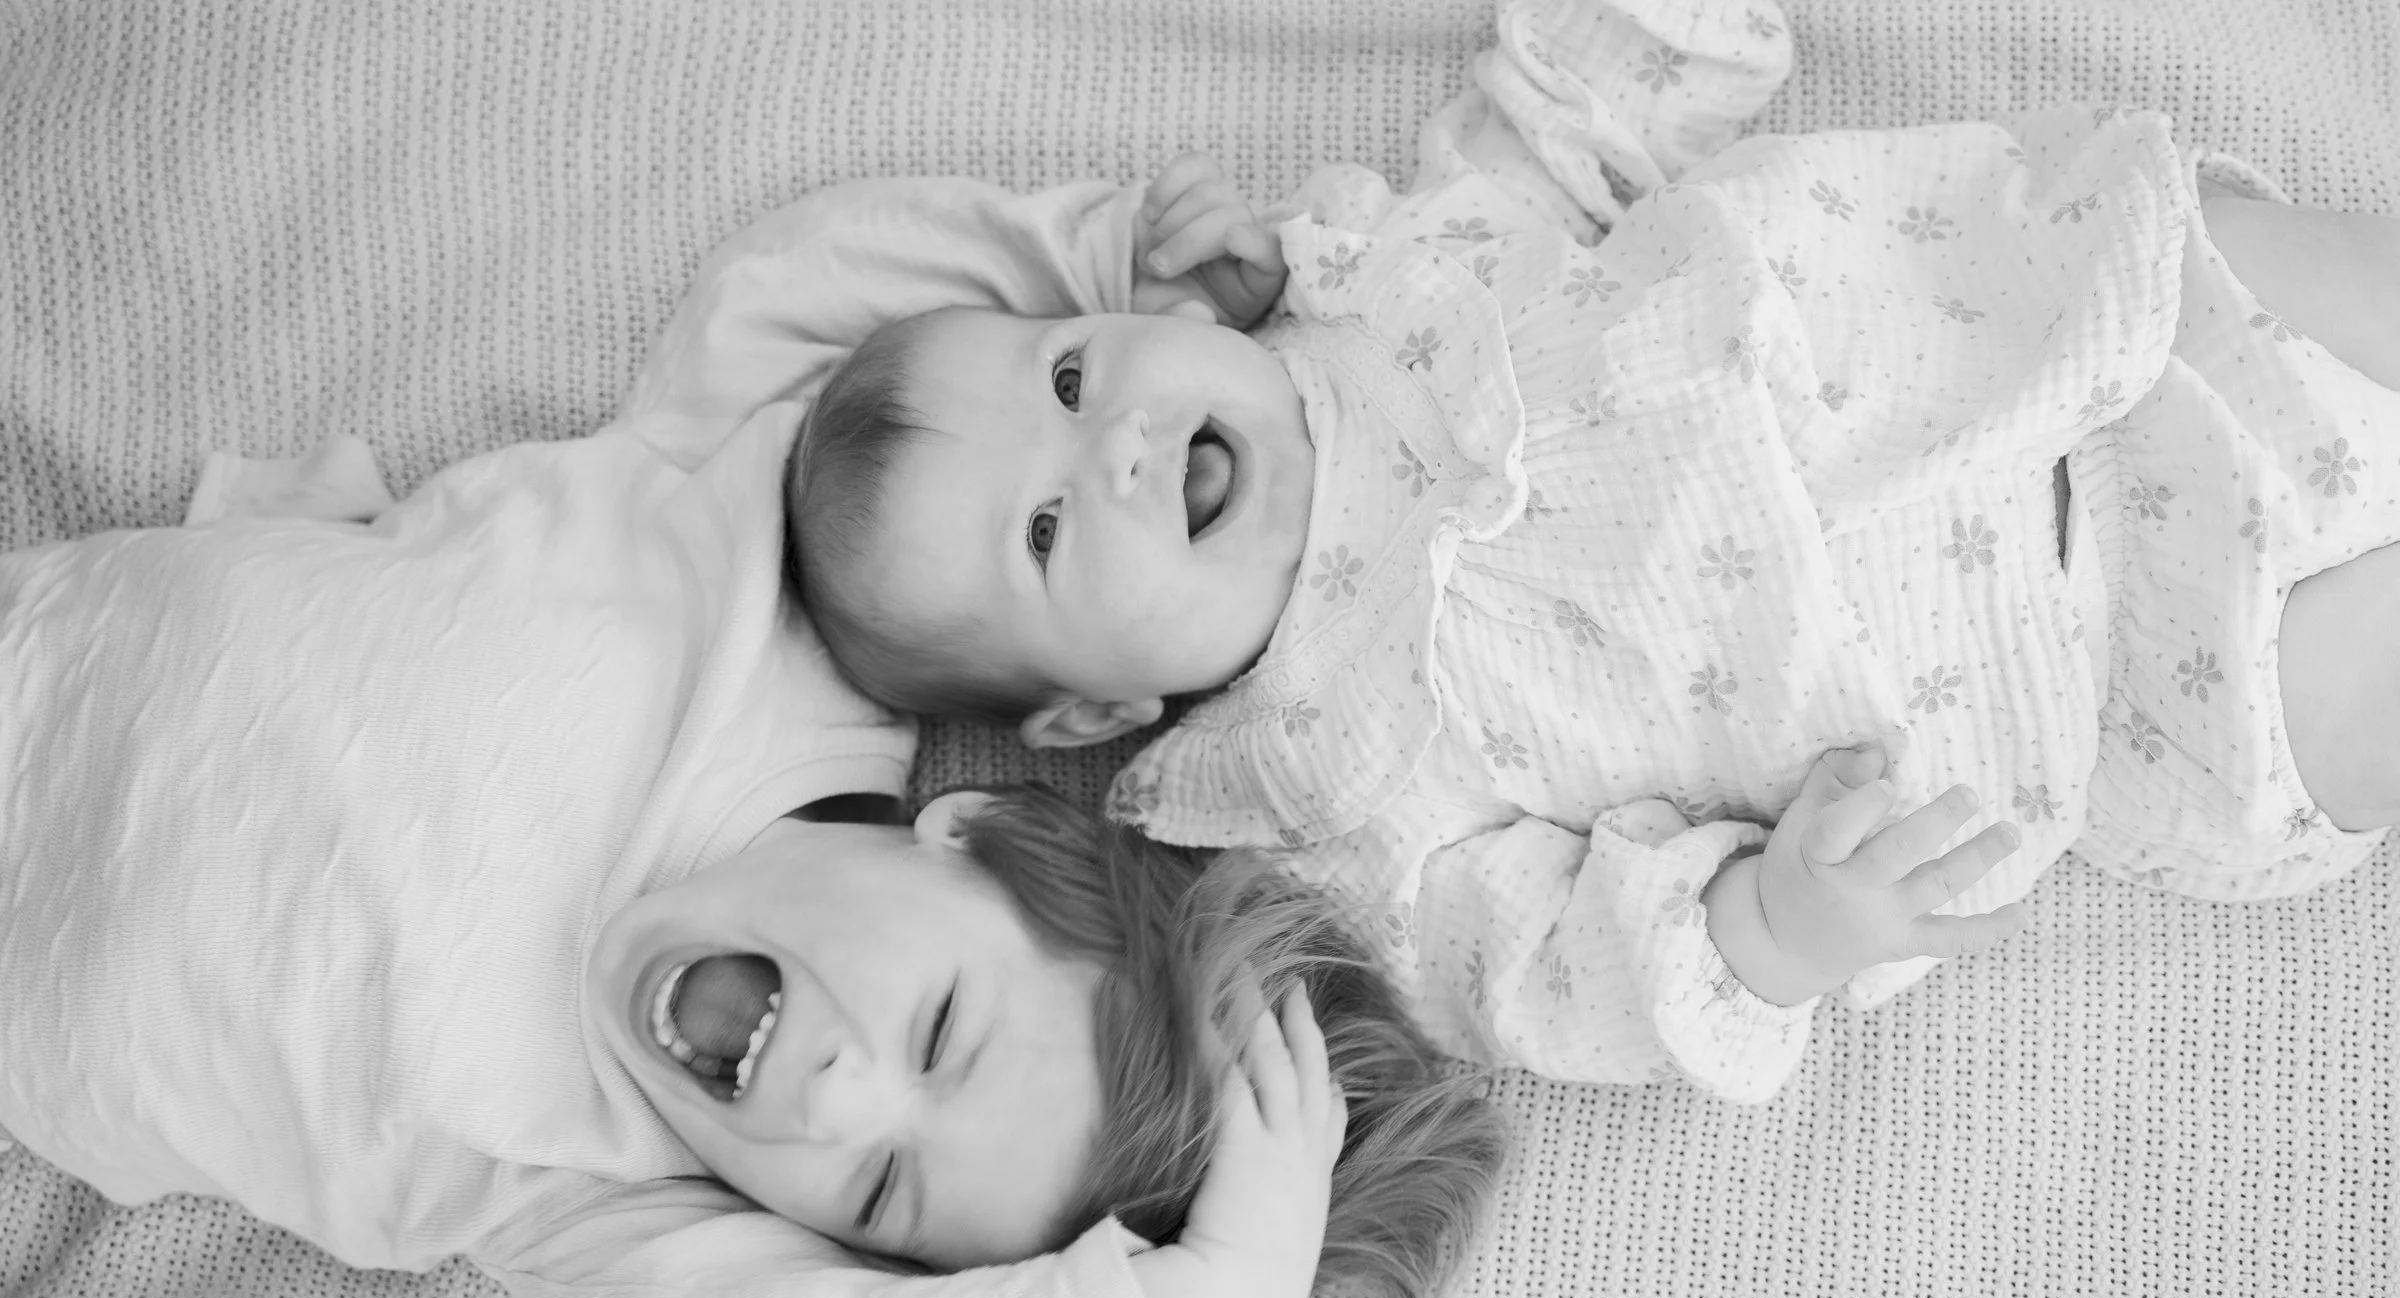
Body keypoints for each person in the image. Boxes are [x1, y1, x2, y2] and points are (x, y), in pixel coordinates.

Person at [0, 285, 1503, 1298]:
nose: (839, 1103)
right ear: (970, 829)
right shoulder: (770, 617)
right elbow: (889, 344)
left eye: (877, 1195)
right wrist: (1101, 252)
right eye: (937, 1031)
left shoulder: (628, 1210)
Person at [761, 0, 2400, 1103]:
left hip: (2052, 302)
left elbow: (1573, 125)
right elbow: (1560, 969)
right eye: (1046, 528)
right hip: (2107, 686)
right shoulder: (1337, 804)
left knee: (2318, 276)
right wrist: (1779, 932)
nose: (1109, 444)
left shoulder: (1379, 274)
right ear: (1092, 716)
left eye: (1067, 378)